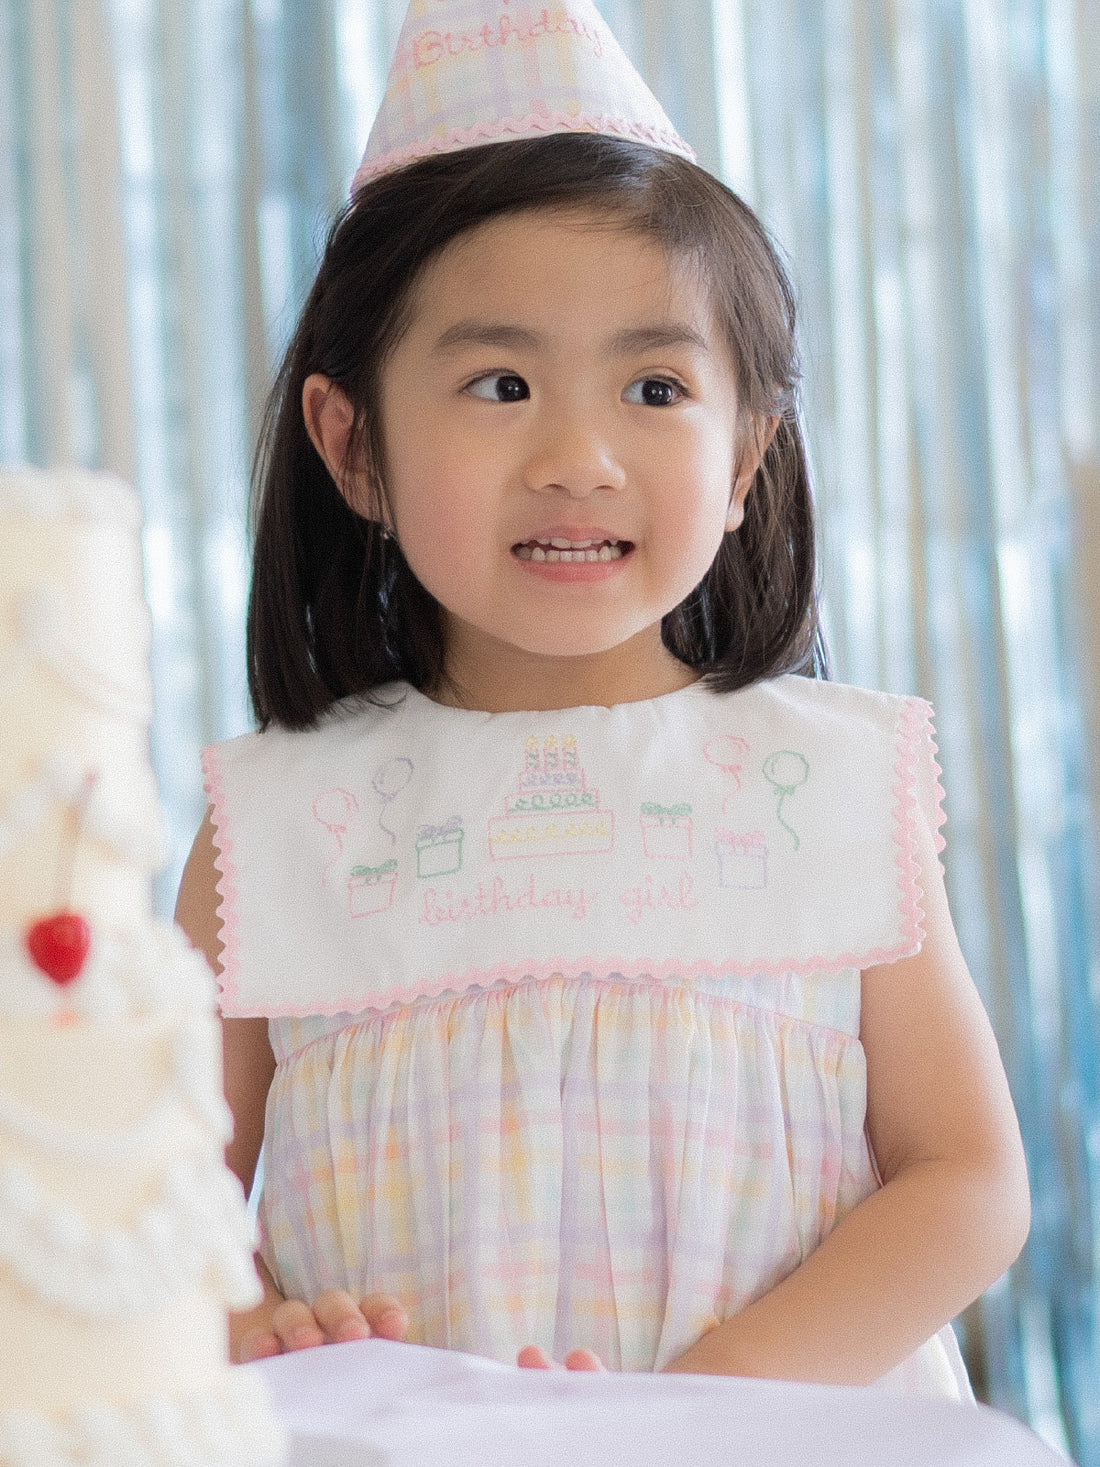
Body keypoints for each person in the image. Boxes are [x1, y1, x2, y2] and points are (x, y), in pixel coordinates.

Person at [175, 0, 1029, 1396]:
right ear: (354, 444)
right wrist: (241, 1323)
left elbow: (969, 1178)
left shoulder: (824, 787)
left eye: (652, 385)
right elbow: (161, 1200)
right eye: (501, 382)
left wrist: (705, 1404)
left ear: (747, 449)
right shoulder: (273, 828)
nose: (580, 457)